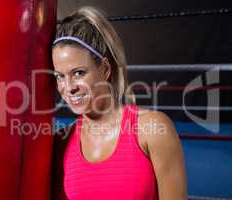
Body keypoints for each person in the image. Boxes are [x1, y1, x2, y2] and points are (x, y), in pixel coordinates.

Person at [51, 6, 187, 200]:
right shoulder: (61, 143)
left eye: (79, 73)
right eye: (60, 76)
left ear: (105, 69)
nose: (69, 87)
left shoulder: (152, 129)